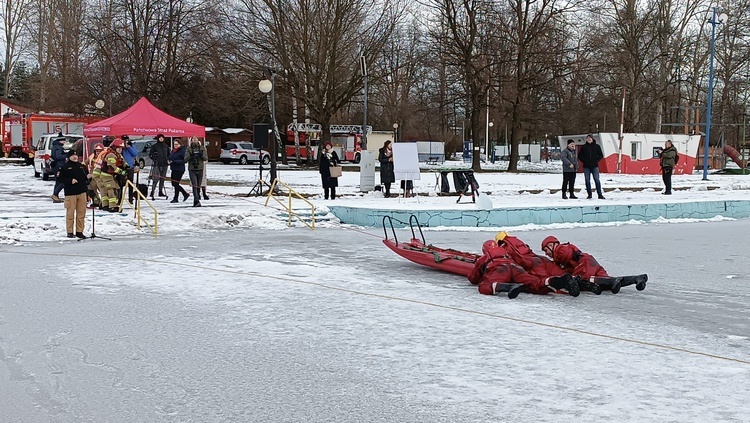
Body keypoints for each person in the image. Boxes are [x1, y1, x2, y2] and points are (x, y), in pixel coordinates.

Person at [467, 240, 580, 298]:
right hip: (516, 268)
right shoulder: (507, 253)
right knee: (534, 283)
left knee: (484, 286)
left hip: (500, 269)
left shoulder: (485, 257)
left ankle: (507, 286)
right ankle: (552, 281)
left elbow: (473, 278)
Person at [494, 231, 591, 293]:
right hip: (539, 259)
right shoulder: (517, 241)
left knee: (544, 280)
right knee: (560, 273)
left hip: (532, 264)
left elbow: (518, 260)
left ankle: (563, 284)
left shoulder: (504, 246)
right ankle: (579, 282)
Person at [541, 236, 647, 293]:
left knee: (585, 279)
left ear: (551, 245)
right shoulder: (564, 249)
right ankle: (636, 279)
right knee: (605, 281)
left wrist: (557, 264)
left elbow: (566, 255)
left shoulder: (559, 250)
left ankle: (613, 281)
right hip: (589, 261)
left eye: (546, 250)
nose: (546, 253)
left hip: (583, 264)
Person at [57, 150, 90, 238]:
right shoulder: (64, 167)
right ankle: (70, 232)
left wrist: (88, 177)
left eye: (76, 155)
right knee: (70, 214)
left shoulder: (81, 166)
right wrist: (70, 181)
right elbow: (60, 179)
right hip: (70, 194)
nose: (75, 157)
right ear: (69, 157)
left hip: (82, 192)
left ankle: (79, 231)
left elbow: (85, 178)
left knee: (81, 214)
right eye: (72, 156)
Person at [99, 138, 128, 212]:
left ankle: (105, 205)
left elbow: (122, 162)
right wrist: (121, 172)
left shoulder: (117, 154)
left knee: (109, 190)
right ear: (114, 147)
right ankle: (112, 206)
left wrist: (126, 166)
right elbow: (111, 166)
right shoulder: (111, 155)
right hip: (107, 175)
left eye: (121, 148)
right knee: (113, 190)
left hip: (109, 175)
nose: (120, 150)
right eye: (119, 148)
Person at [579, 134, 605, 199]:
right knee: (587, 180)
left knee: (597, 180)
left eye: (590, 138)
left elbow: (601, 155)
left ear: (592, 139)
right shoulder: (584, 147)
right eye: (587, 138)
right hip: (586, 166)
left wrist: (596, 160)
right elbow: (579, 156)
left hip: (594, 166)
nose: (589, 139)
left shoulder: (597, 146)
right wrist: (584, 161)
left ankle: (600, 194)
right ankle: (589, 194)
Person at [186, 137, 208, 207]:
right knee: (194, 184)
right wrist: (191, 156)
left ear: (198, 140)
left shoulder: (202, 148)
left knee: (198, 185)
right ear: (191, 141)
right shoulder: (188, 149)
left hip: (200, 168)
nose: (194, 140)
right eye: (193, 139)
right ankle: (196, 200)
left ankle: (198, 195)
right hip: (192, 169)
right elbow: (185, 159)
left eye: (196, 139)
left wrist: (201, 155)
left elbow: (206, 158)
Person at [148, 134, 170, 200]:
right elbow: (151, 154)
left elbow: (169, 154)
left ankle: (160, 191)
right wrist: (155, 159)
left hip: (165, 164)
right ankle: (152, 191)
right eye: (160, 138)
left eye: (162, 138)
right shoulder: (154, 146)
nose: (161, 139)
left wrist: (168, 160)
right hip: (157, 164)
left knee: (162, 178)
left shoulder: (166, 146)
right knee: (156, 178)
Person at [168, 138, 189, 203]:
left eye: (177, 144)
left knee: (176, 183)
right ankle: (185, 194)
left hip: (179, 169)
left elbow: (184, 160)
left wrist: (175, 161)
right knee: (173, 183)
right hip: (173, 168)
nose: (175, 146)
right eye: (174, 144)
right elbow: (170, 157)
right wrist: (169, 160)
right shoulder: (173, 151)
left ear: (180, 144)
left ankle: (176, 198)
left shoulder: (182, 150)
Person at [85, 143, 105, 208]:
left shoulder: (105, 157)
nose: (98, 152)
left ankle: (104, 203)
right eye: (97, 151)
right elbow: (85, 162)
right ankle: (96, 201)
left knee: (103, 190)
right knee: (91, 189)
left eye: (99, 151)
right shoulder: (92, 156)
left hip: (102, 177)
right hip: (94, 177)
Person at [120, 135, 139, 203]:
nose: (126, 142)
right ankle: (120, 198)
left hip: (130, 167)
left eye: (127, 140)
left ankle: (130, 198)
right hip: (122, 167)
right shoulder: (121, 147)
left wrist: (129, 147)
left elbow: (135, 153)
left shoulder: (131, 146)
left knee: (130, 183)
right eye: (124, 140)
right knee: (121, 183)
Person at [50, 137, 67, 203]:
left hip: (57, 166)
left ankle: (55, 195)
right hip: (59, 166)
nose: (64, 142)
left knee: (58, 181)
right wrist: (67, 155)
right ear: (60, 141)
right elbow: (58, 156)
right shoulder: (58, 147)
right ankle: (55, 194)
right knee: (62, 181)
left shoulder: (55, 146)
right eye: (63, 140)